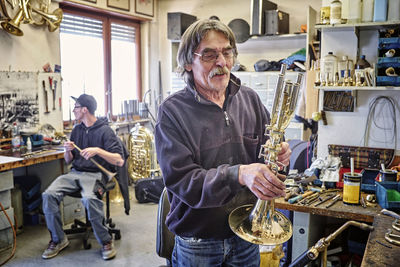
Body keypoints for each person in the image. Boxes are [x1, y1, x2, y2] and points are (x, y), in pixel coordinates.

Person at [155, 19, 292, 267]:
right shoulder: (172, 112)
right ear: (188, 63)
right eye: (209, 55)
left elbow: (265, 157)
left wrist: (279, 158)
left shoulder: (249, 99)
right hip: (199, 242)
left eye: (227, 52)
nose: (222, 63)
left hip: (247, 235)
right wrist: (239, 174)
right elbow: (182, 181)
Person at [41, 94, 124, 260]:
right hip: (75, 173)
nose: (74, 110)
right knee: (48, 195)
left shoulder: (105, 131)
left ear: (84, 109)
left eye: (76, 107)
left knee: (89, 199)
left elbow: (119, 160)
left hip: (96, 175)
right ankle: (58, 240)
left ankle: (106, 241)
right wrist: (67, 150)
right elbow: (69, 160)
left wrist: (98, 150)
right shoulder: (77, 130)